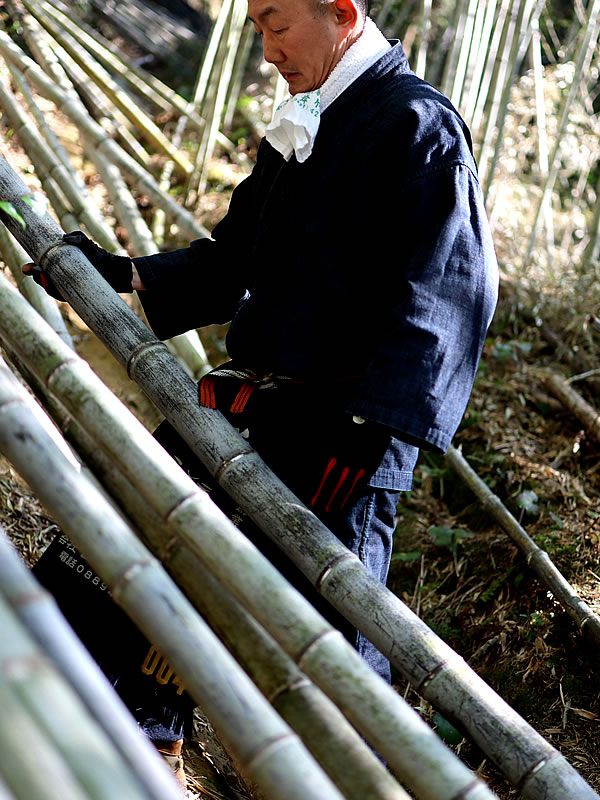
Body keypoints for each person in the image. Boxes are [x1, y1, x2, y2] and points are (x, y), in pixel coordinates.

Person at [26, 0, 498, 787]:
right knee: (115, 542)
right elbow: (231, 260)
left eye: (277, 25)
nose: (268, 49)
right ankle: (134, 738)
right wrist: (126, 273)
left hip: (343, 440)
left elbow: (451, 297)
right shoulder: (306, 118)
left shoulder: (420, 127)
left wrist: (372, 433)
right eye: (256, 30)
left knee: (323, 655)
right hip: (255, 409)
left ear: (340, 12)